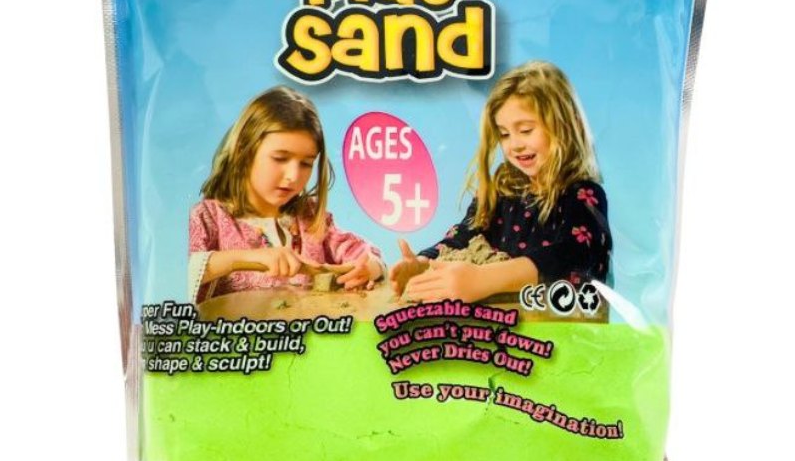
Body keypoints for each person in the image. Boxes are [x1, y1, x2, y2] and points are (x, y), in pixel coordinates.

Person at [390, 61, 611, 303]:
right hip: (504, 319)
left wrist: (484, 279)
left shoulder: (584, 195)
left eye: (525, 130)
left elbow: (574, 255)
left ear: (565, 125)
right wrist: (424, 264)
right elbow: (466, 233)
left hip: (558, 321)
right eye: (504, 134)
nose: (514, 145)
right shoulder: (502, 186)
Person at [188, 87, 383, 303]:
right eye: (280, 158)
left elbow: (364, 254)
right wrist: (247, 258)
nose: (293, 176)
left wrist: (369, 268)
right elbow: (187, 270)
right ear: (244, 151)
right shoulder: (208, 218)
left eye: (306, 163)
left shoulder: (310, 217)